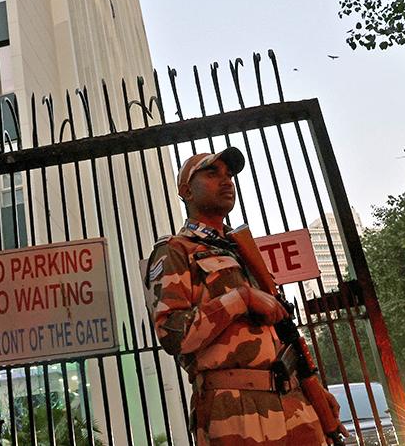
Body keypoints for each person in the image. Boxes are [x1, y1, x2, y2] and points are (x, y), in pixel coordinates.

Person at [145, 149, 342, 445]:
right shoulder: (176, 251)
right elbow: (173, 335)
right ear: (186, 191)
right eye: (212, 173)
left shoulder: (242, 250)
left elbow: (280, 330)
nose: (227, 181)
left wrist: (310, 384)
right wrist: (241, 298)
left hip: (294, 400)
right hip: (234, 408)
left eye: (230, 175)